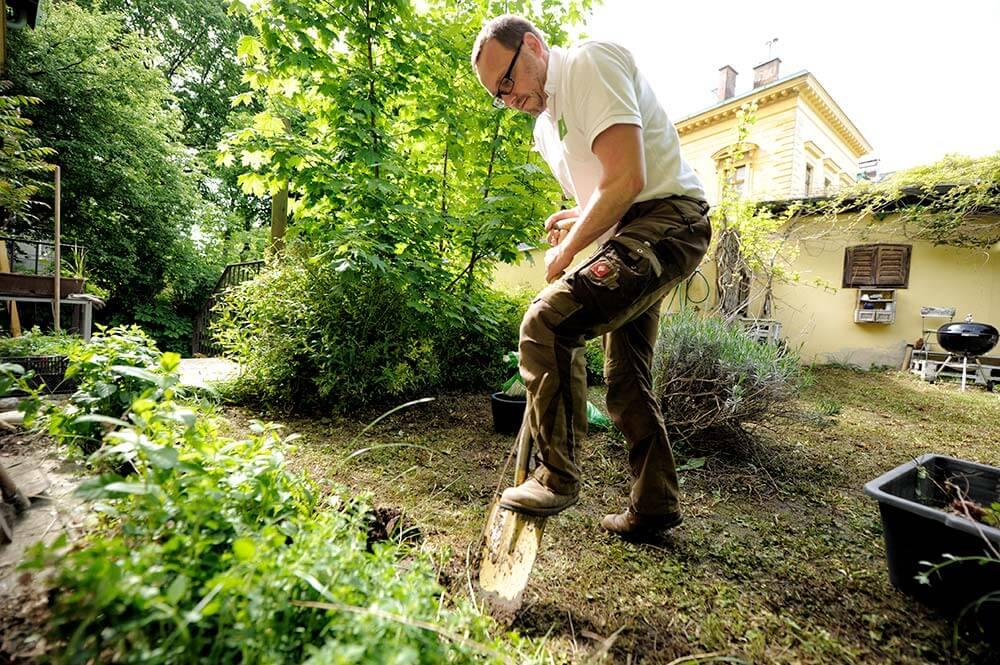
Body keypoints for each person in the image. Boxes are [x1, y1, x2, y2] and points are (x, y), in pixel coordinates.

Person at [471, 15, 711, 537]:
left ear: (533, 46)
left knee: (547, 324)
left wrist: (569, 252)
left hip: (669, 223)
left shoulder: (588, 63)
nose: (506, 97)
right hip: (632, 231)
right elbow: (605, 188)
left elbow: (628, 179)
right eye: (497, 94)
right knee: (625, 380)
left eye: (507, 80)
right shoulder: (543, 126)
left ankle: (555, 477)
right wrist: (579, 217)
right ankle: (655, 505)